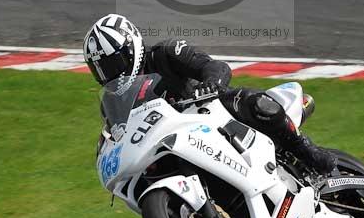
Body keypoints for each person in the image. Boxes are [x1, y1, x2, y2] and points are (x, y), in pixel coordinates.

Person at [83, 14, 336, 174]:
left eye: (113, 65)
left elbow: (215, 67)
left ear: (131, 49)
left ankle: (305, 150)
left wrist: (211, 84)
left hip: (210, 112)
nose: (110, 74)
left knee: (257, 104)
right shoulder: (113, 102)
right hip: (173, 143)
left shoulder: (166, 53)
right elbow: (117, 133)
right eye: (101, 69)